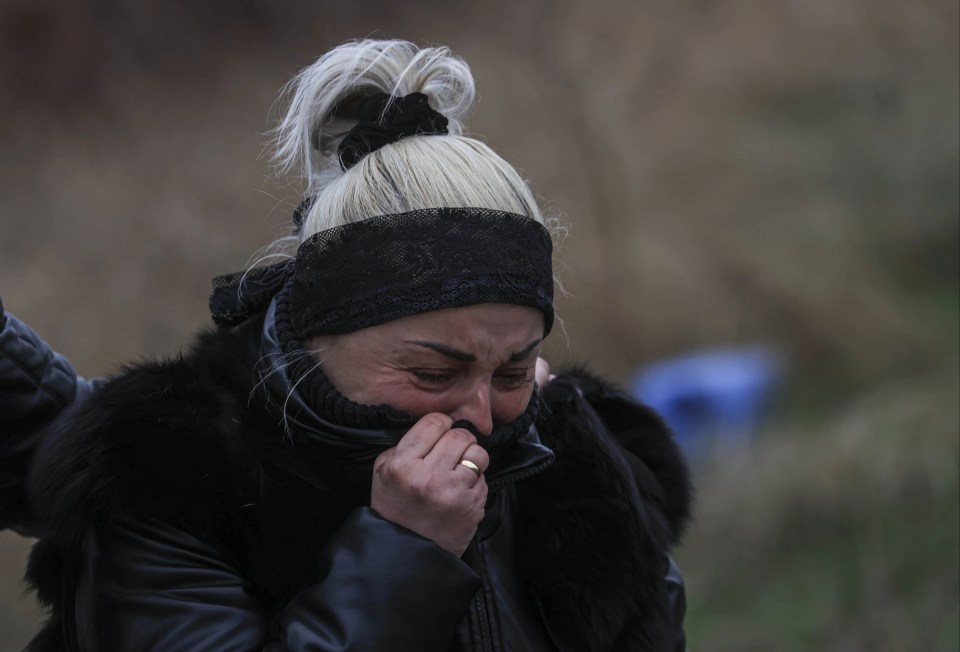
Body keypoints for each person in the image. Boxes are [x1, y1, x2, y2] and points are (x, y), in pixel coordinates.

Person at [22, 39, 692, 651]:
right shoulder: (170, 477)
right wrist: (403, 553)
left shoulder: (567, 459)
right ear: (320, 333)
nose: (482, 417)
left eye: (514, 369)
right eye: (434, 372)